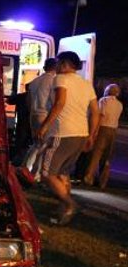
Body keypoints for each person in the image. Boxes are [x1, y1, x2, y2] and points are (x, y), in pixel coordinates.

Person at [37, 51, 99, 226]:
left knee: (47, 173)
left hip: (62, 133)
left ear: (64, 64)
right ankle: (63, 210)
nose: (56, 66)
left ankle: (71, 204)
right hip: (80, 134)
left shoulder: (61, 79)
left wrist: (45, 125)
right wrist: (91, 135)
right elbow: (95, 112)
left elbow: (59, 103)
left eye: (58, 63)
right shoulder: (86, 84)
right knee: (63, 173)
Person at [83, 84, 123, 188]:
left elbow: (100, 116)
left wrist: (94, 132)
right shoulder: (119, 104)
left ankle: (89, 177)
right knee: (107, 156)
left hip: (103, 129)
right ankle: (103, 181)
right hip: (113, 130)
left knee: (96, 153)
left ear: (107, 91)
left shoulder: (103, 101)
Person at [24, 58, 57, 179]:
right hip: (45, 115)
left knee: (36, 144)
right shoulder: (53, 81)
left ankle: (25, 168)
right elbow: (55, 101)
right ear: (56, 67)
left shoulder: (35, 81)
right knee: (44, 145)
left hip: (33, 115)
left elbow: (28, 100)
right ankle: (35, 174)